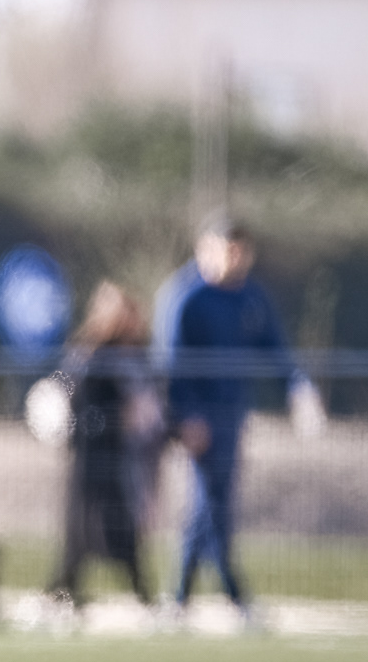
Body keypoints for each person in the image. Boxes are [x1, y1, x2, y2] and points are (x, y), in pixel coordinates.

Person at [154, 214, 320, 619]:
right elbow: (169, 365)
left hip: (232, 415)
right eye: (227, 251)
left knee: (215, 501)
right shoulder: (185, 296)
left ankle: (200, 596)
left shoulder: (250, 297)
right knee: (207, 502)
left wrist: (299, 388)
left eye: (240, 252)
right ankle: (205, 595)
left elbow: (275, 349)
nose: (234, 260)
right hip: (199, 417)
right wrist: (184, 416)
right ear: (206, 249)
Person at [48, 282, 162, 606]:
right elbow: (69, 393)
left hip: (123, 455)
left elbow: (151, 399)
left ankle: (141, 591)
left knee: (122, 523)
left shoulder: (137, 357)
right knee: (81, 524)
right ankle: (64, 587)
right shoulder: (87, 354)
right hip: (90, 453)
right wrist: (114, 417)